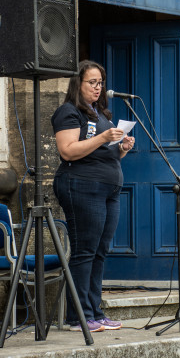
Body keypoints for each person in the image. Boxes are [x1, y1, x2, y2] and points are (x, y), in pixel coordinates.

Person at [52, 60, 135, 332]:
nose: (98, 88)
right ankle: (79, 316)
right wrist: (103, 138)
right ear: (79, 83)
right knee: (85, 251)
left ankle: (96, 311)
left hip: (108, 189)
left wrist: (122, 147)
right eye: (92, 82)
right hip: (81, 187)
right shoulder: (69, 111)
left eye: (100, 83)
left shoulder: (101, 115)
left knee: (101, 250)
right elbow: (68, 151)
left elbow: (107, 155)